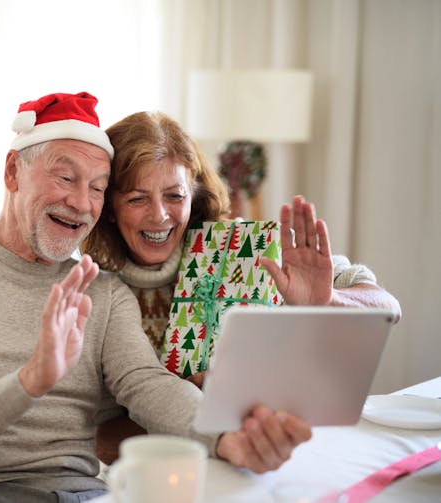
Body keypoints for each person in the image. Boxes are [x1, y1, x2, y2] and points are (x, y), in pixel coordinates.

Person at [0, 92, 312, 503]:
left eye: (98, 188)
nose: (82, 203)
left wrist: (229, 438)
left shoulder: (102, 290)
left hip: (84, 495)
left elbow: (151, 385)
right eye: (66, 177)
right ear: (11, 172)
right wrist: (28, 382)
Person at [80, 110, 402, 464]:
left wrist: (328, 300)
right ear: (109, 206)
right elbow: (94, 437)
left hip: (274, 453)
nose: (159, 215)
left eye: (174, 196)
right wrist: (198, 407)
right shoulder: (92, 288)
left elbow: (388, 309)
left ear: (194, 195)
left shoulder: (245, 246)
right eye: (137, 199)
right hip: (164, 468)